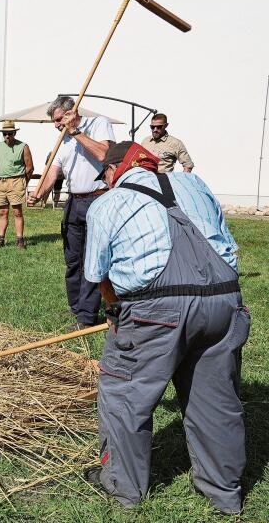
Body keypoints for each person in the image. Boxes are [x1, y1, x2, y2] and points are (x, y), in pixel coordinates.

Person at [83, 141, 249, 515]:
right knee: (217, 401)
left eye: (106, 175)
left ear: (114, 171)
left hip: (155, 312)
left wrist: (114, 311)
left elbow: (97, 274)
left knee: (125, 395)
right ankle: (225, 494)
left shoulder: (107, 204)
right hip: (224, 302)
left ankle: (122, 485)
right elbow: (224, 241)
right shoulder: (195, 184)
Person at [27, 96, 115, 329]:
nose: (56, 125)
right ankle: (76, 309)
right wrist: (39, 193)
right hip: (74, 203)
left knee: (92, 261)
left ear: (70, 112)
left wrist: (76, 132)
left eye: (58, 120)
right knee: (73, 260)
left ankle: (86, 318)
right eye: (54, 122)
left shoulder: (98, 124)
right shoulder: (61, 142)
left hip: (99, 200)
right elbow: (52, 174)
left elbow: (104, 155)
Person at [0, 121, 34, 249]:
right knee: (2, 212)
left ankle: (20, 240)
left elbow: (30, 167)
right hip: (1, 181)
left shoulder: (23, 146)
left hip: (16, 181)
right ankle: (0, 239)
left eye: (10, 133)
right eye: (5, 134)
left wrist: (23, 182)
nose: (7, 136)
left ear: (14, 133)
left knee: (17, 212)